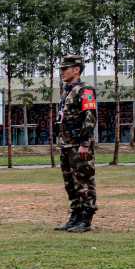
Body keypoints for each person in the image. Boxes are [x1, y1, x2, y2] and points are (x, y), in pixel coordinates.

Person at [55, 54, 99, 233]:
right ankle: (75, 214)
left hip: (79, 144)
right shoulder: (67, 90)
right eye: (62, 69)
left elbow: (90, 117)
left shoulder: (85, 90)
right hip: (66, 144)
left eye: (65, 69)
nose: (62, 72)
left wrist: (85, 143)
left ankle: (86, 218)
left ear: (76, 70)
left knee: (84, 180)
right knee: (70, 183)